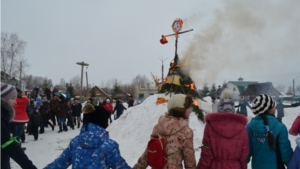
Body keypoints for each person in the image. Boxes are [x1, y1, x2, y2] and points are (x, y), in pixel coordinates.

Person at [43, 103, 131, 169]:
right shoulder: (109, 145)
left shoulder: (75, 142)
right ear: (102, 122)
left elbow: (59, 164)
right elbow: (121, 166)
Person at [133, 94, 196, 169]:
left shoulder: (158, 127)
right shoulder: (186, 132)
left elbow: (149, 152)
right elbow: (190, 162)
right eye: (188, 108)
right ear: (180, 110)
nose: (190, 110)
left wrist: (138, 167)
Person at [197, 89, 249, 169]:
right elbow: (243, 156)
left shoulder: (210, 126)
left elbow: (206, 154)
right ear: (233, 109)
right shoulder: (242, 129)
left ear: (219, 108)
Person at [247, 94, 293, 169]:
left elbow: (247, 152)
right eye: (273, 105)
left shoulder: (250, 127)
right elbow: (286, 154)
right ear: (270, 109)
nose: (275, 107)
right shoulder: (280, 127)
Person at [1, 83, 37, 169]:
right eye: (13, 98)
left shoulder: (3, 115)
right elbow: (8, 145)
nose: (15, 101)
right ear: (3, 99)